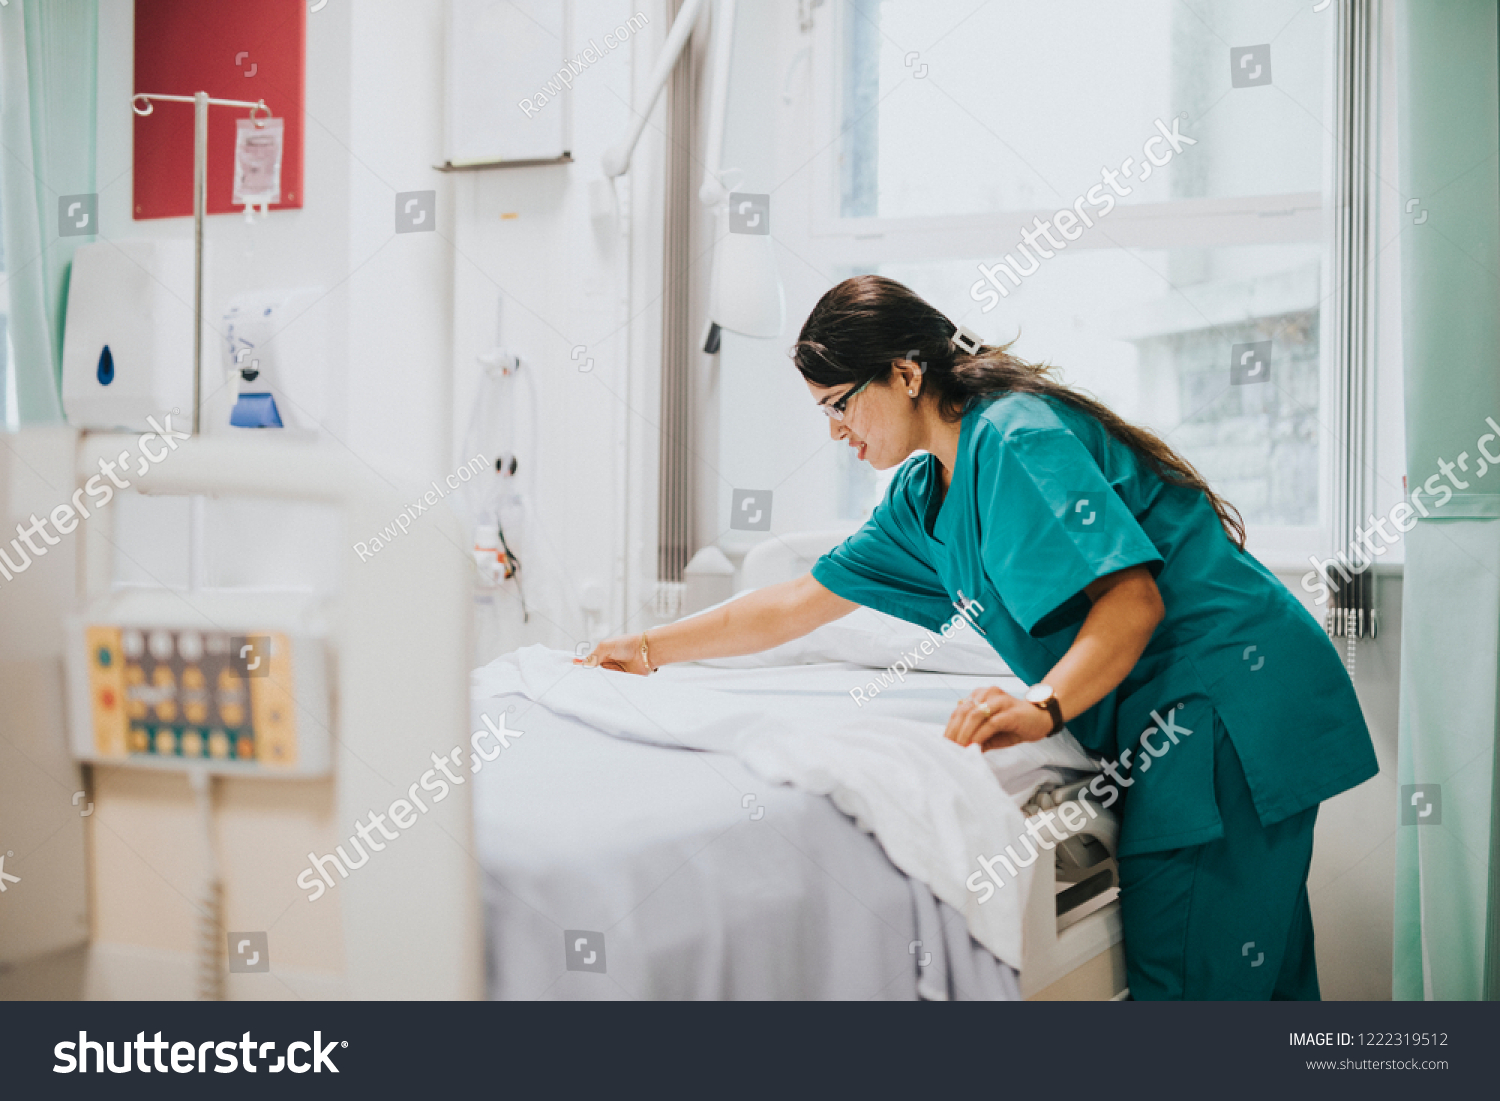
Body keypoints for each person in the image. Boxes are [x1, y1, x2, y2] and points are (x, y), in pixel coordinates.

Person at [580, 275, 1377, 1000]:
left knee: (1195, 984)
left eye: (838, 404)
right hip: (1198, 712)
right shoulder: (923, 493)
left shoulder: (1014, 438)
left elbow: (1132, 603)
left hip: (1224, 702)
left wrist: (1041, 706)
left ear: (904, 372)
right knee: (1263, 981)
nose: (835, 432)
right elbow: (798, 598)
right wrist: (647, 647)